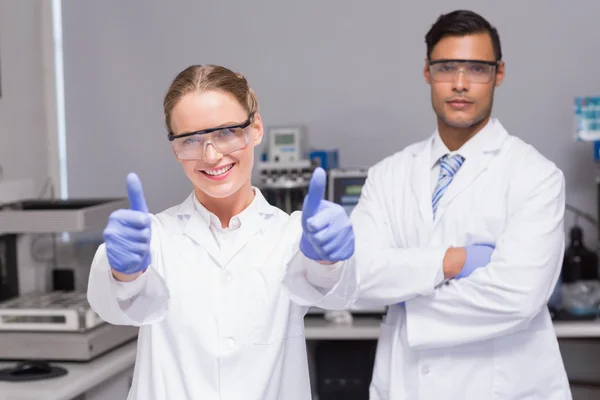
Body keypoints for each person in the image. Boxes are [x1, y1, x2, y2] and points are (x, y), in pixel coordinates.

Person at [86, 64, 357, 400]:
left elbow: (337, 294)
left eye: (226, 132)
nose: (211, 155)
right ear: (174, 147)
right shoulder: (155, 238)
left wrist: (328, 261)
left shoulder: (290, 237)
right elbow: (112, 306)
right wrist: (124, 272)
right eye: (190, 140)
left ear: (255, 128)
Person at [346, 10, 571, 400]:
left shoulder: (536, 176)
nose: (461, 84)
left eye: (477, 69)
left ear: (498, 74)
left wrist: (403, 295)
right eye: (447, 67)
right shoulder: (388, 176)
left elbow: (517, 295)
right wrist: (452, 262)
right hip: (407, 386)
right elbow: (358, 278)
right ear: (427, 72)